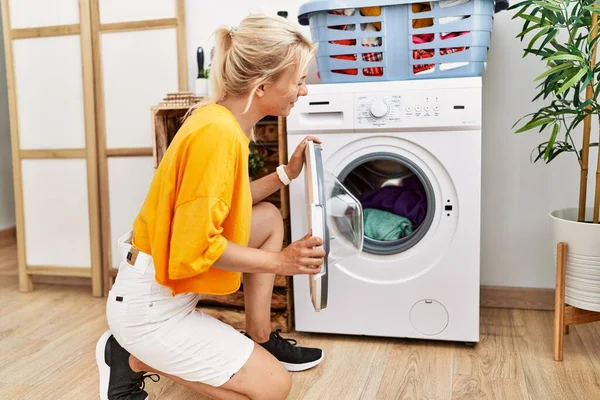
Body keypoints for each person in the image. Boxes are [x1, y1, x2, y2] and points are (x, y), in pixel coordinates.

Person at [95, 14, 325, 400]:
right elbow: (197, 247)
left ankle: (259, 337)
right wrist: (282, 263)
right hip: (149, 309)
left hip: (162, 286)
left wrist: (286, 173)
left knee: (267, 218)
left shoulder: (223, 121)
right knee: (273, 390)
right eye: (298, 81)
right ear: (263, 85)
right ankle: (131, 357)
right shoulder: (216, 135)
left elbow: (225, 204)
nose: (302, 91)